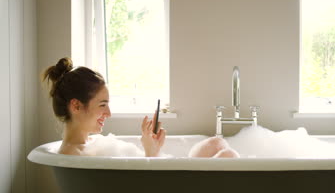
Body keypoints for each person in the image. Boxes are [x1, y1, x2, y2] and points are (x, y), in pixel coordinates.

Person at [43, 57, 239, 158]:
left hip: (166, 179)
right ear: (76, 106)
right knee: (228, 156)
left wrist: (152, 150)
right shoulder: (71, 155)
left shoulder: (93, 143)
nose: (109, 113)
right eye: (102, 105)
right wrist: (150, 154)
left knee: (216, 144)